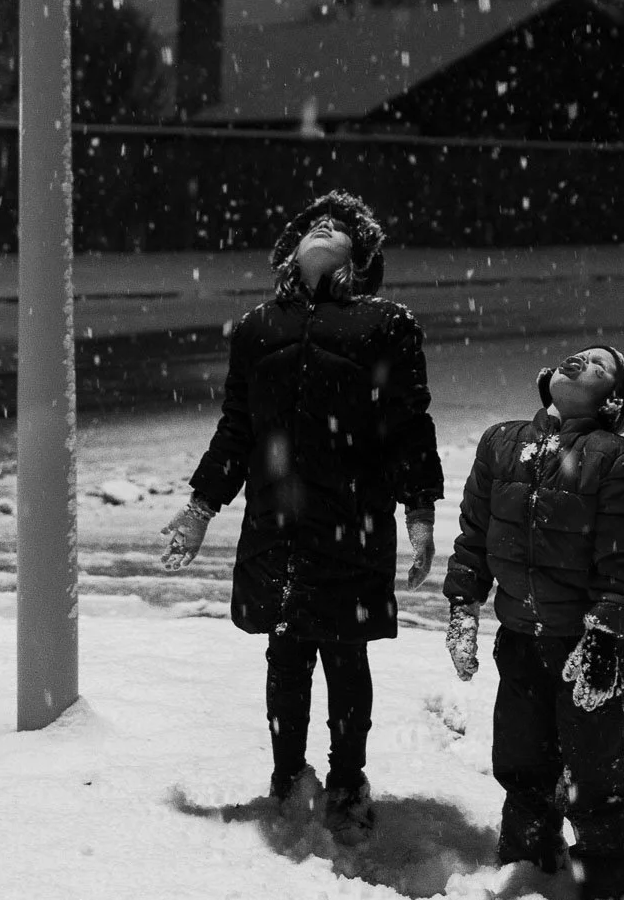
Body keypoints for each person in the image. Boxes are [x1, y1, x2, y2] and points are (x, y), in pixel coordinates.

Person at [160, 190, 443, 843]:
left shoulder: (387, 325)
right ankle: (288, 779)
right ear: (291, 253)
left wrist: (419, 510)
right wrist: (203, 505)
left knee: (346, 659)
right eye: (313, 223)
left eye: (338, 227)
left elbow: (408, 425)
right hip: (276, 524)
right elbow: (237, 429)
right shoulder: (258, 328)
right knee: (285, 654)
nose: (323, 226)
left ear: (361, 257)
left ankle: (347, 784)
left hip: (353, 519)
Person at [442, 344, 624, 900]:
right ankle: (529, 866)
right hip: (519, 640)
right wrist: (463, 604)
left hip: (586, 647)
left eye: (599, 365)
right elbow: (474, 535)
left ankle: (611, 894)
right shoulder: (501, 442)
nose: (579, 363)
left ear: (613, 400)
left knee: (597, 777)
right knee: (522, 765)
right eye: (576, 357)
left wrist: (605, 635)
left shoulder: (619, 459)